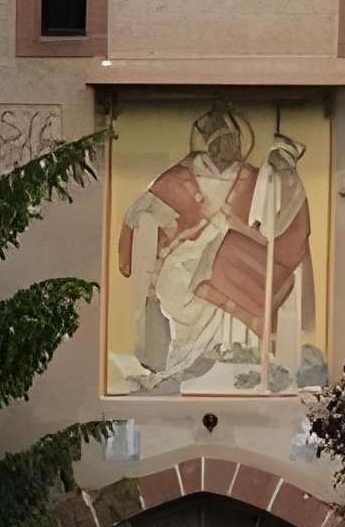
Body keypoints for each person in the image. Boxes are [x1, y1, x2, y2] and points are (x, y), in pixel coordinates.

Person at [115, 105, 318, 391]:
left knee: (222, 260)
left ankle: (231, 353)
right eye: (219, 142)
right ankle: (187, 362)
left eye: (231, 142)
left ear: (239, 143)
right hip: (187, 251)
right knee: (177, 278)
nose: (225, 148)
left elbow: (273, 220)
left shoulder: (255, 178)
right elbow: (151, 202)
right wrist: (145, 214)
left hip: (237, 254)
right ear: (207, 143)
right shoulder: (183, 175)